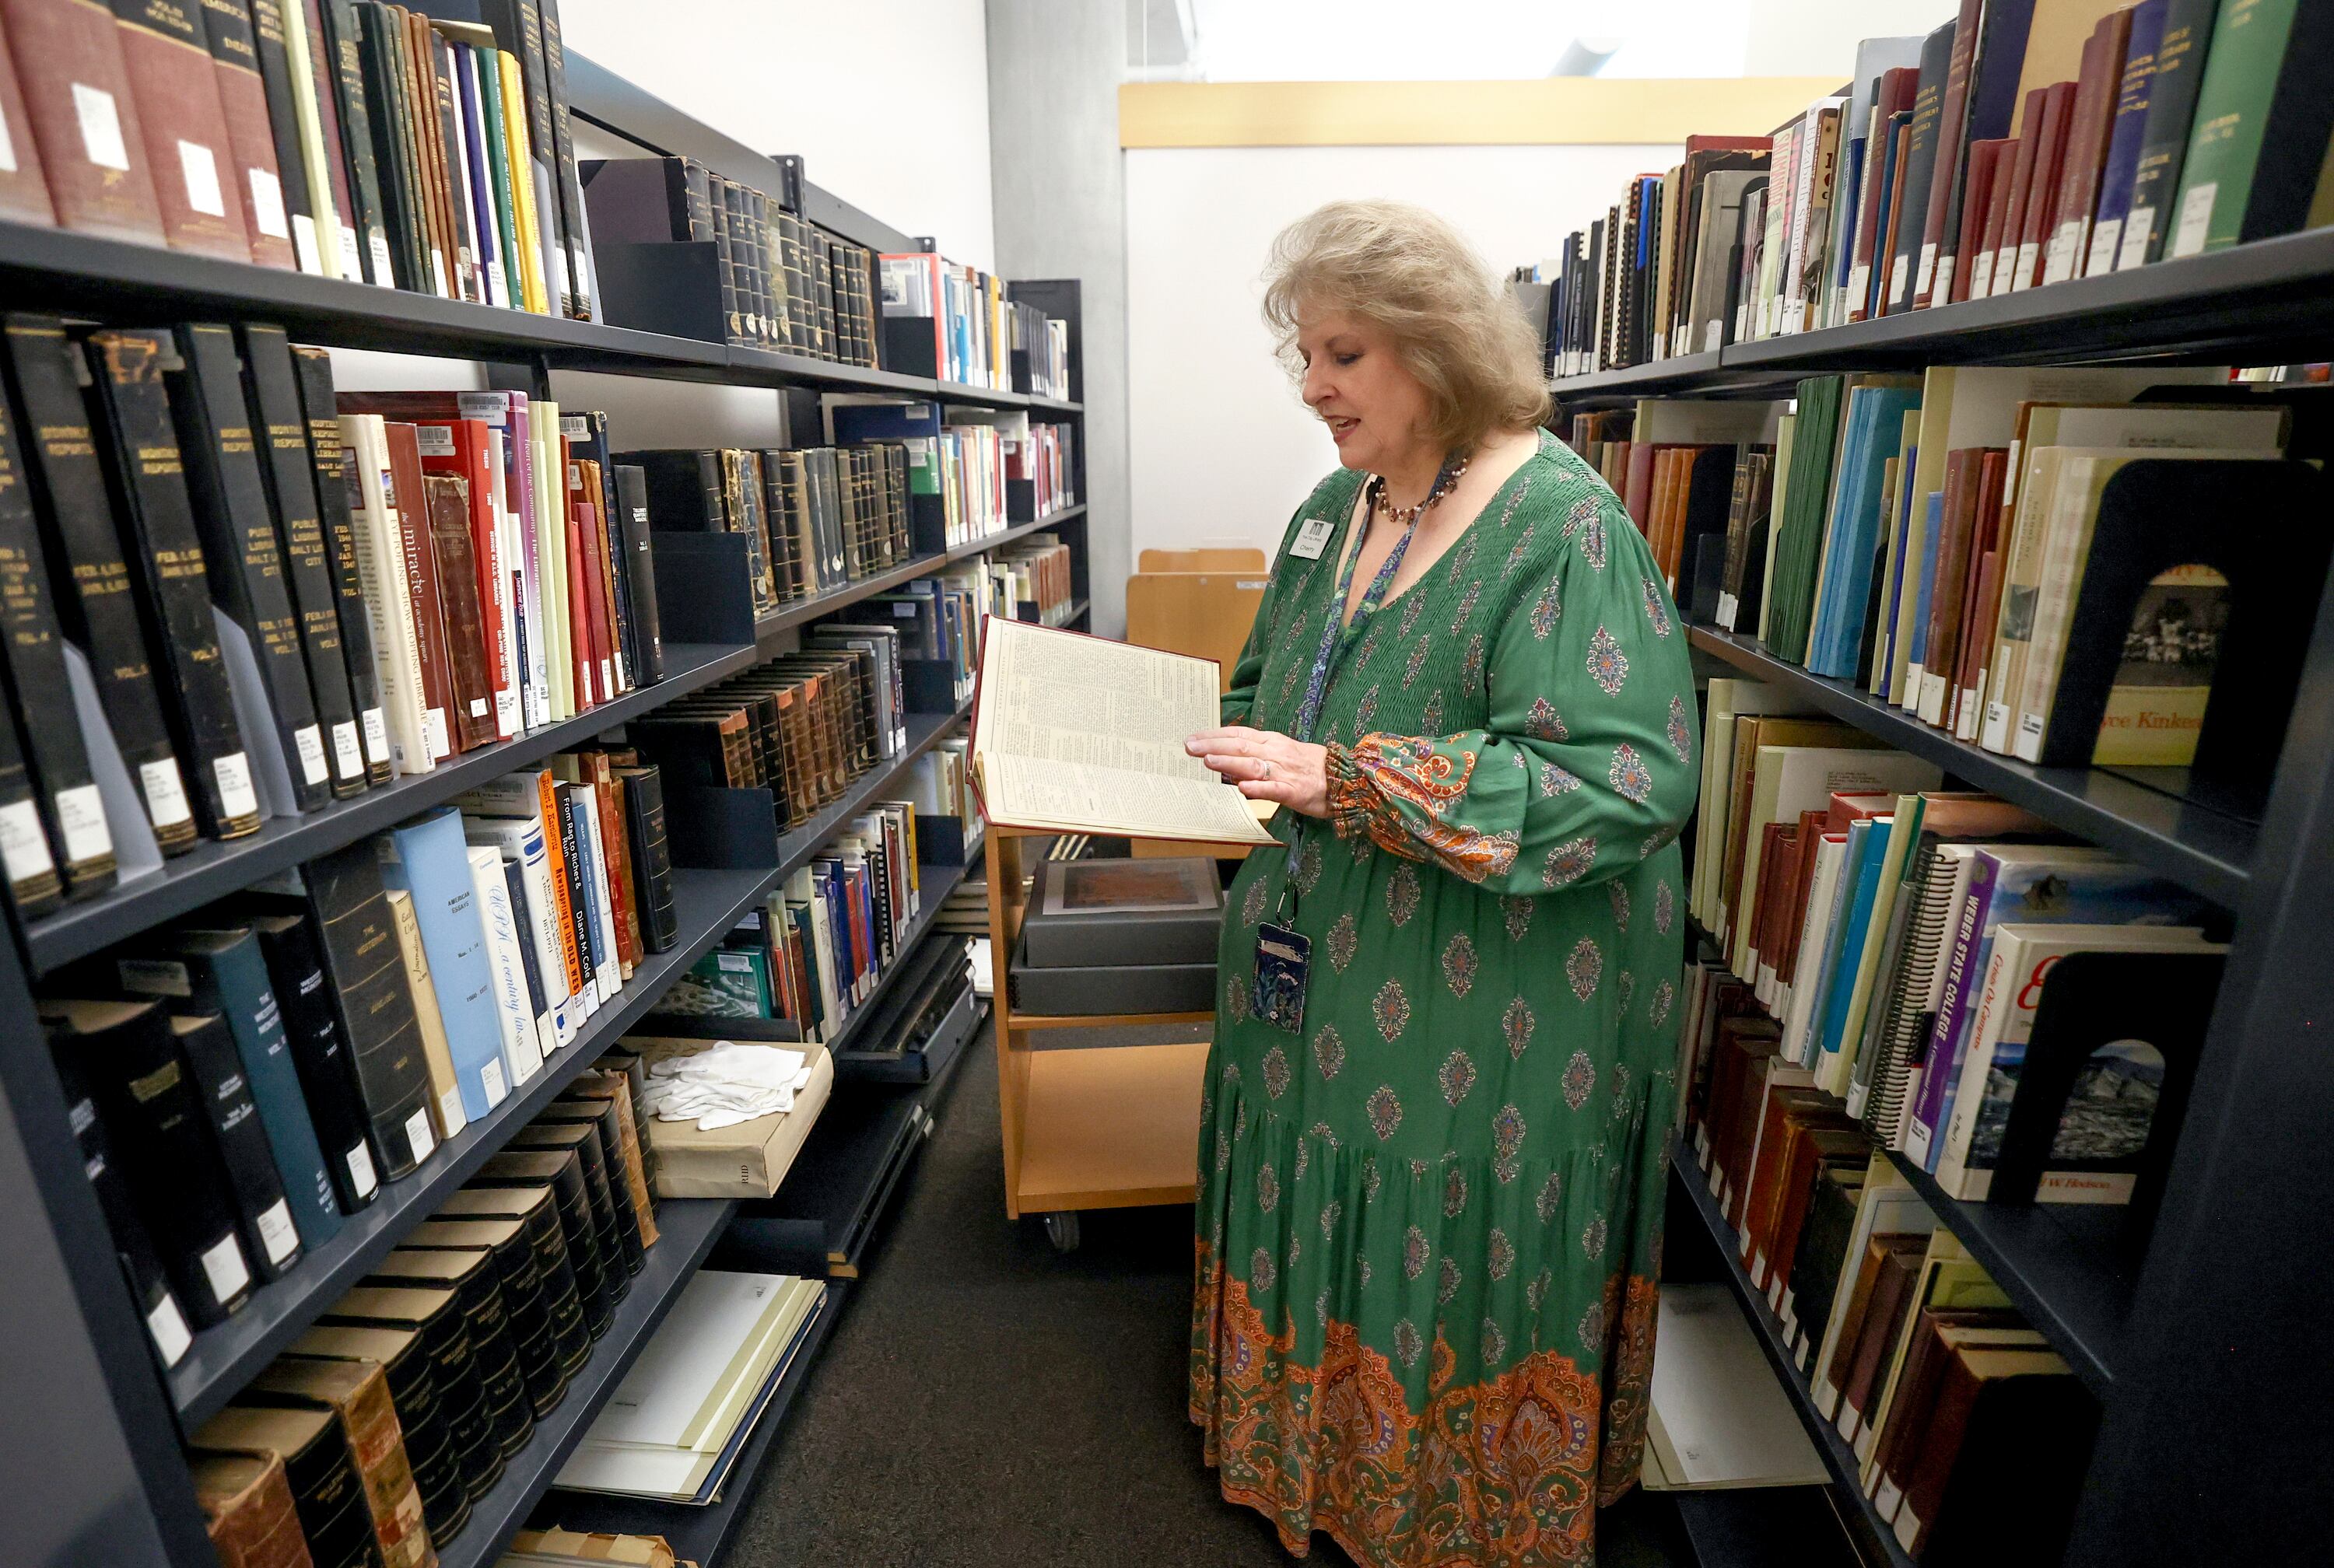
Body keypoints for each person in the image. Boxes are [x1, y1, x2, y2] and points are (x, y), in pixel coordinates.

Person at [1183, 199, 1698, 1567]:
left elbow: (1621, 779)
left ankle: (1440, 1501)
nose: (1313, 388)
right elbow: (1267, 685)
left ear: (1436, 348)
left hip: (1485, 1000)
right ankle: (1294, 1445)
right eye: (1306, 353)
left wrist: (1348, 780)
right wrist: (1208, 745)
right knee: (1314, 1162)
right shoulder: (1329, 509)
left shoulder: (1562, 526)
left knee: (1436, 1195)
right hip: (1314, 961)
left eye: (1343, 353)